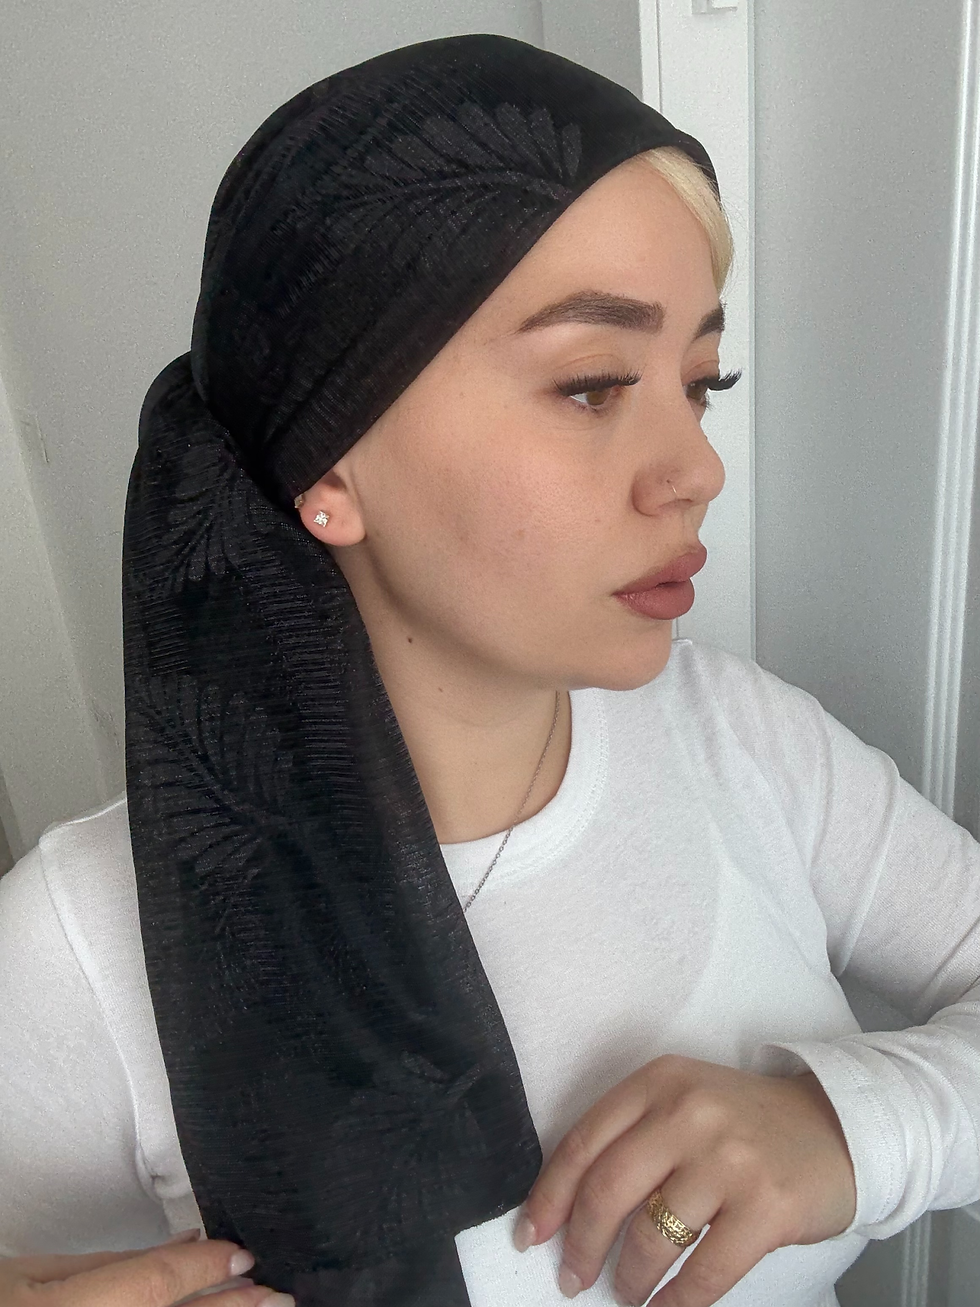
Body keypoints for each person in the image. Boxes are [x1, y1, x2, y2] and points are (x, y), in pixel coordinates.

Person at [2, 31, 980, 1307]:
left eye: (702, 380)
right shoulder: (80, 943)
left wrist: (854, 1125)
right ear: (329, 461)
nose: (695, 468)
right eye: (591, 384)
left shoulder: (741, 739)